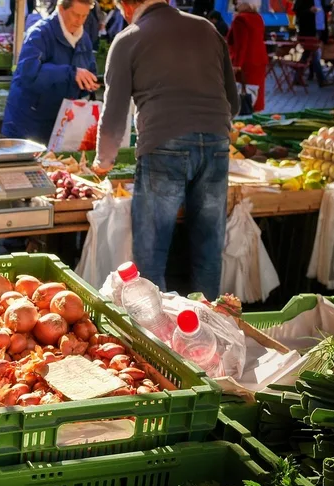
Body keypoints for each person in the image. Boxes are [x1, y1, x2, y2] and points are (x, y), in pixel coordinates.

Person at [93, 0, 239, 299]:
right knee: (208, 247)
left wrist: (103, 162)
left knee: (151, 251)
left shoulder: (128, 38)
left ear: (127, 5)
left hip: (164, 145)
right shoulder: (207, 29)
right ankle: (209, 328)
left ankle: (154, 335)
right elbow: (233, 103)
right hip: (216, 144)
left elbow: (114, 114)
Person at [2, 0, 99, 145]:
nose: (80, 21)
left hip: (60, 123)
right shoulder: (39, 33)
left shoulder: (84, 39)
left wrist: (89, 83)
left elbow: (89, 69)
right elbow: (28, 74)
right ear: (61, 9)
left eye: (84, 16)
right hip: (27, 125)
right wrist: (70, 73)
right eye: (76, 15)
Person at [227, 0, 268, 111]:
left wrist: (237, 65)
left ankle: (243, 119)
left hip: (245, 62)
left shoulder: (240, 19)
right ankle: (255, 118)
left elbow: (241, 44)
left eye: (238, 3)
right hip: (259, 60)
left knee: (242, 93)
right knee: (256, 94)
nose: (236, 5)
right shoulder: (258, 18)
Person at [294, 0, 329, 86]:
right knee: (314, 53)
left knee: (308, 53)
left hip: (320, 28)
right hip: (309, 30)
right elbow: (297, 11)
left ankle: (297, 78)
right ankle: (321, 80)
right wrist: (309, 10)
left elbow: (324, 11)